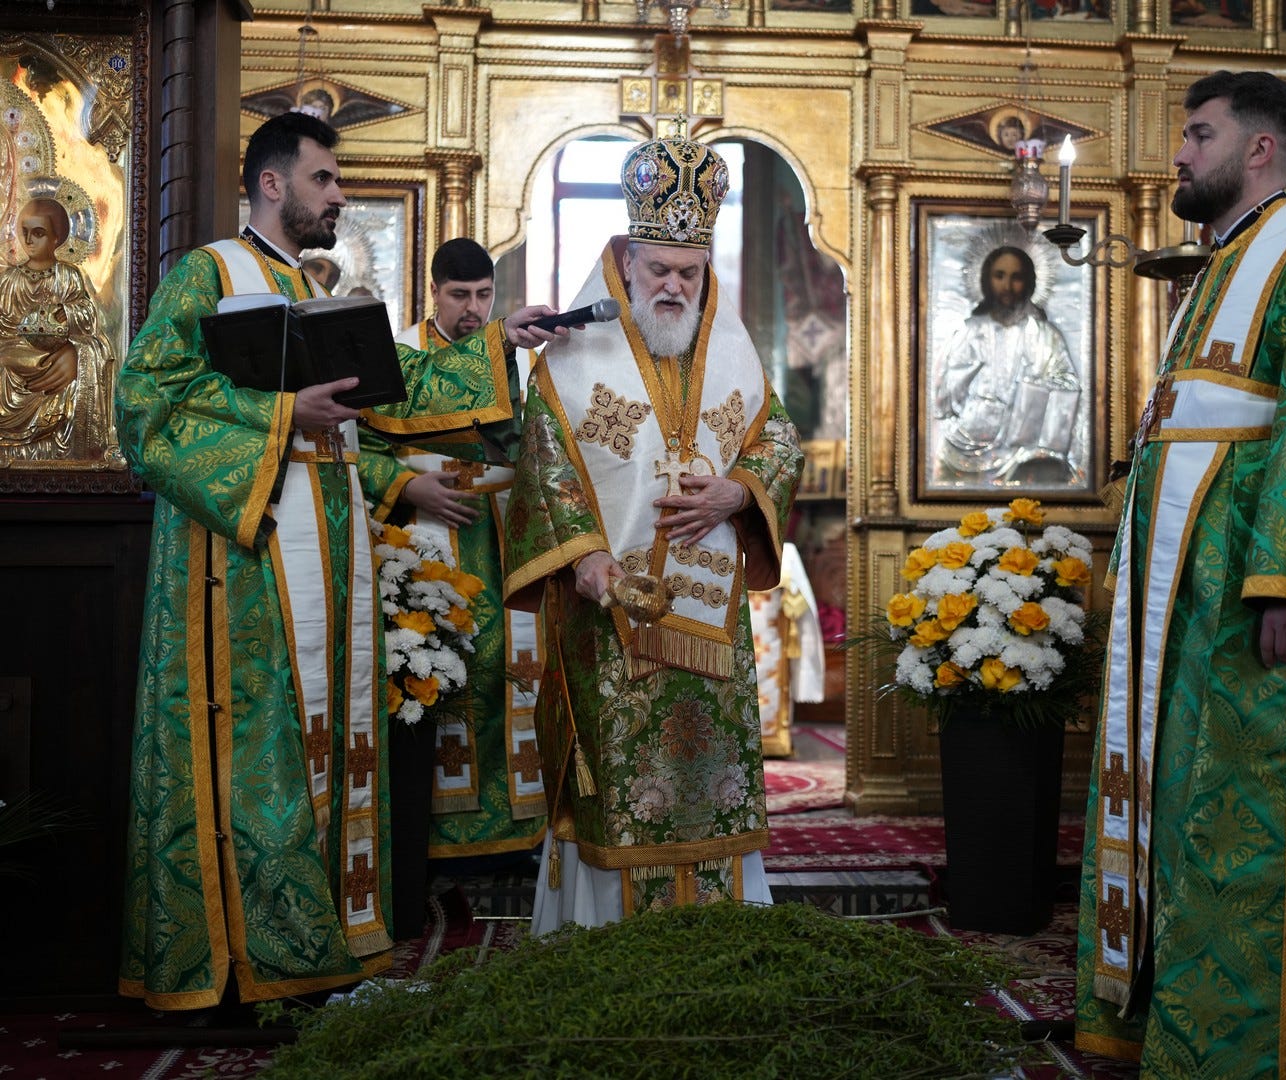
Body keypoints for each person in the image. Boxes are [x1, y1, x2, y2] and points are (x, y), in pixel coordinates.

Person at [114, 109, 561, 1009]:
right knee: (268, 750)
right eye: (324, 178)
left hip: (332, 548)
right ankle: (257, 959)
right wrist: (286, 414)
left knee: (333, 743)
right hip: (247, 563)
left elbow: (396, 390)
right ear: (272, 182)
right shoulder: (211, 273)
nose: (339, 195)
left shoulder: (312, 290)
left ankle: (323, 947)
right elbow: (146, 402)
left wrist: (498, 340)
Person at [1075, 71, 1286, 1077]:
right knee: (1185, 804)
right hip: (1187, 602)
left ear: (1260, 149)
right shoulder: (1219, 264)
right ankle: (1173, 1023)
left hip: (1259, 600)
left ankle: (1266, 1049)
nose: (1178, 155)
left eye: (1198, 135)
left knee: (1254, 816)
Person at [503, 127, 804, 933]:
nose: (673, 285)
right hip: (612, 622)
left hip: (710, 623)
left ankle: (719, 941)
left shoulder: (733, 356)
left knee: (711, 783)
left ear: (707, 274)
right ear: (627, 263)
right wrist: (588, 561)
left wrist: (738, 494)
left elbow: (777, 441)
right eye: (659, 269)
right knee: (619, 784)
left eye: (689, 273)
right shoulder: (571, 362)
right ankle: (607, 942)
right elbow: (548, 471)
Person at [358, 237, 546, 938]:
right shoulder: (400, 356)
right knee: (439, 681)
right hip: (424, 542)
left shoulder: (510, 360)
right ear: (433, 291)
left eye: (484, 296)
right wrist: (410, 487)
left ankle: (511, 836)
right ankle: (433, 840)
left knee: (508, 675)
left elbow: (531, 443)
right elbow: (359, 448)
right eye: (459, 296)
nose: (472, 309)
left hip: (498, 537)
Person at [933, 244, 1081, 483]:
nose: (1007, 286)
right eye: (999, 276)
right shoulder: (968, 333)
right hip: (966, 444)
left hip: (1023, 448)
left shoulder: (1045, 336)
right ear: (986, 280)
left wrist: (1030, 390)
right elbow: (944, 396)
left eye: (1016, 277)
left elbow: (1068, 383)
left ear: (1029, 282)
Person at [0, 196, 115, 460]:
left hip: (54, 353)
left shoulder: (67, 276)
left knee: (72, 364)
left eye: (38, 233)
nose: (28, 240)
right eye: (24, 232)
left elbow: (87, 316)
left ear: (56, 238)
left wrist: (68, 313)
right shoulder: (10, 280)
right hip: (16, 353)